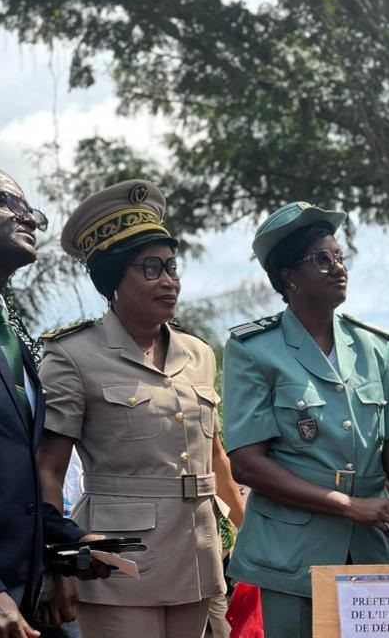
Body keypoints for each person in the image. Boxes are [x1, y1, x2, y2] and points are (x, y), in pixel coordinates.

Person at [222, 201, 389, 638]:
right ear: (288, 277)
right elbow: (247, 463)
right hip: (291, 558)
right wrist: (346, 505)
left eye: (339, 257)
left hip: (371, 550)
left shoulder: (374, 347)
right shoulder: (253, 350)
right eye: (321, 260)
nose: (337, 267)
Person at [36, 179, 245, 638]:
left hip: (198, 553)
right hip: (116, 561)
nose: (169, 280)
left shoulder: (199, 353)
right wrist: (57, 561)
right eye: (151, 268)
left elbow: (215, 456)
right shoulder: (73, 353)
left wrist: (246, 534)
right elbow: (49, 468)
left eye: (172, 267)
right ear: (112, 278)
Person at [0, 169, 93, 638]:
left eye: (32, 210)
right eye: (10, 204)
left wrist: (68, 544)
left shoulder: (14, 333)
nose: (30, 220)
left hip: (28, 591)